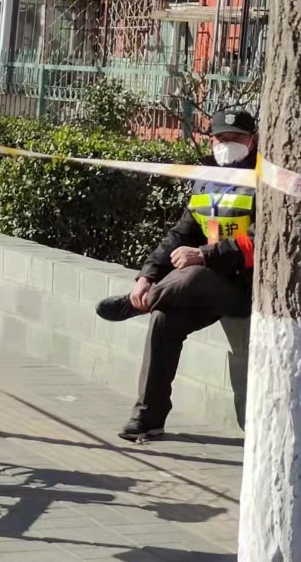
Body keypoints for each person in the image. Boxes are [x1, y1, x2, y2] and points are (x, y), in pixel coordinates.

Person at [96, 108, 258, 441]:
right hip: (209, 287)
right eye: (221, 137)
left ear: (252, 140)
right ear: (211, 141)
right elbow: (181, 234)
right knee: (163, 319)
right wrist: (147, 275)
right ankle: (147, 417)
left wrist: (206, 254)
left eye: (236, 137)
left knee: (195, 274)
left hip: (245, 286)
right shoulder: (207, 178)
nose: (228, 143)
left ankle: (138, 303)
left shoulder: (264, 179)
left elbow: (265, 238)